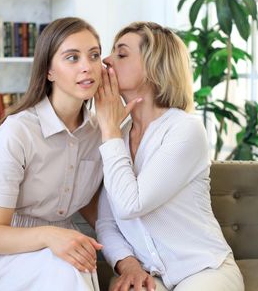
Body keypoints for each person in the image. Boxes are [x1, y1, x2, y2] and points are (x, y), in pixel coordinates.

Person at [94, 21, 244, 291]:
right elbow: (107, 221)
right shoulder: (118, 136)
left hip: (203, 269)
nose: (106, 60)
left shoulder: (185, 129)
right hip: (149, 274)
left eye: (122, 54)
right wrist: (128, 265)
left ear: (154, 67)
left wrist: (109, 131)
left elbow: (132, 204)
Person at [0, 17, 104, 291]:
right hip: (4, 255)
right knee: (67, 270)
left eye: (94, 55)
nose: (87, 67)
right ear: (49, 71)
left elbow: (96, 209)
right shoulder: (17, 133)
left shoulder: (99, 132)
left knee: (73, 265)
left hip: (64, 245)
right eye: (72, 58)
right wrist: (50, 235)